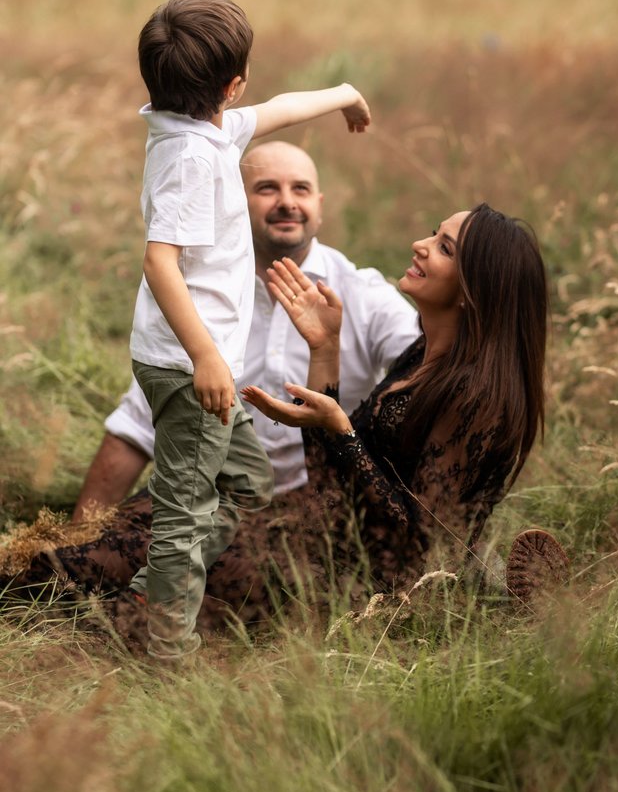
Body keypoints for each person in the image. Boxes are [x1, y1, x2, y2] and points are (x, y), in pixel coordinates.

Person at [2, 203, 568, 636]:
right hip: (310, 528)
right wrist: (325, 350)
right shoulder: (425, 355)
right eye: (433, 233)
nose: (420, 245)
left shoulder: (477, 398)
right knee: (151, 518)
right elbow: (329, 483)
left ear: (473, 289)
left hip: (344, 579)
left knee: (114, 568)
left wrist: (340, 430)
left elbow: (415, 544)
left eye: (443, 247)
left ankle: (500, 596)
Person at [125, 0, 371, 661]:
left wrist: (345, 94)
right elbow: (159, 262)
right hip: (191, 366)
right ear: (232, 86)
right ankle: (167, 653)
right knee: (184, 513)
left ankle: (155, 590)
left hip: (200, 363)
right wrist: (206, 357)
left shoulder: (206, 129)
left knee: (247, 483)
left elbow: (280, 108)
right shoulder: (188, 158)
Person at [71, 141, 420, 520]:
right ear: (235, 204)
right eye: (267, 188)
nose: (287, 202)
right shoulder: (199, 297)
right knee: (101, 547)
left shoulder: (364, 293)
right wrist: (78, 533)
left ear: (319, 205)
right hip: (212, 495)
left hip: (325, 510)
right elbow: (137, 424)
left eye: (300, 189)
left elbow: (431, 368)